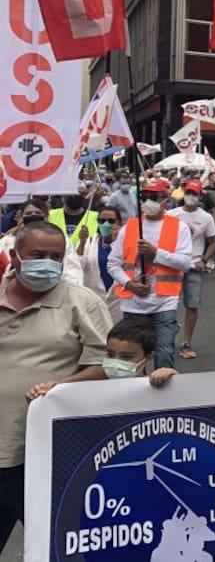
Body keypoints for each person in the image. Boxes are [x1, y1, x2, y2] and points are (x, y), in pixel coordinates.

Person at [4, 222, 111, 552]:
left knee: (60, 543)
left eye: (56, 256)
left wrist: (62, 386)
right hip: (2, 452)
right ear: (15, 257)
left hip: (48, 451)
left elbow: (109, 366)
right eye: (38, 255)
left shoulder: (82, 303)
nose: (47, 263)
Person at [108, 179, 193, 371]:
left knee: (164, 353)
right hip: (133, 304)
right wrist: (129, 284)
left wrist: (156, 253)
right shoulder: (129, 227)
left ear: (165, 201)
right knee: (133, 357)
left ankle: (164, 395)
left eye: (153, 198)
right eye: (144, 197)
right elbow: (113, 264)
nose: (148, 202)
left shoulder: (179, 227)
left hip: (164, 301)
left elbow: (185, 263)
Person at [168, 181, 215, 359]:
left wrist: (204, 259)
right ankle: (167, 336)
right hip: (172, 267)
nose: (191, 196)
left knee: (192, 305)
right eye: (188, 192)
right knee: (168, 305)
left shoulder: (205, 218)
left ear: (199, 196)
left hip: (193, 267)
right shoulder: (172, 214)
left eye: (194, 193)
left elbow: (214, 241)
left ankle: (186, 341)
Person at [101, 315, 178, 388]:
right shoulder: (97, 384)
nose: (115, 363)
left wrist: (173, 378)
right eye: (110, 355)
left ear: (148, 357)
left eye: (126, 357)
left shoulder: (155, 385)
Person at [78, 205, 124, 324]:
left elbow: (125, 265)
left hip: (118, 300)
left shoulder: (125, 243)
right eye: (102, 221)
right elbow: (79, 266)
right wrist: (82, 242)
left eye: (111, 221)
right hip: (93, 298)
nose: (106, 224)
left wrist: (116, 241)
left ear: (119, 223)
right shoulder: (90, 241)